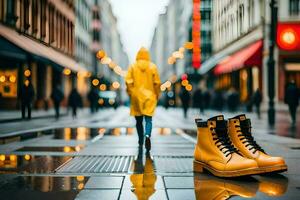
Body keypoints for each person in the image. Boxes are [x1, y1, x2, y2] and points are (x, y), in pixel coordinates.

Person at [125, 47, 161, 151]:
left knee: (138, 120)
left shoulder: (133, 66)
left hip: (136, 96)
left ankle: (140, 140)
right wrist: (156, 95)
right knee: (148, 119)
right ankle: (147, 135)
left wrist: (131, 93)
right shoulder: (152, 67)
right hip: (150, 96)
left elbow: (128, 82)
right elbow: (157, 83)